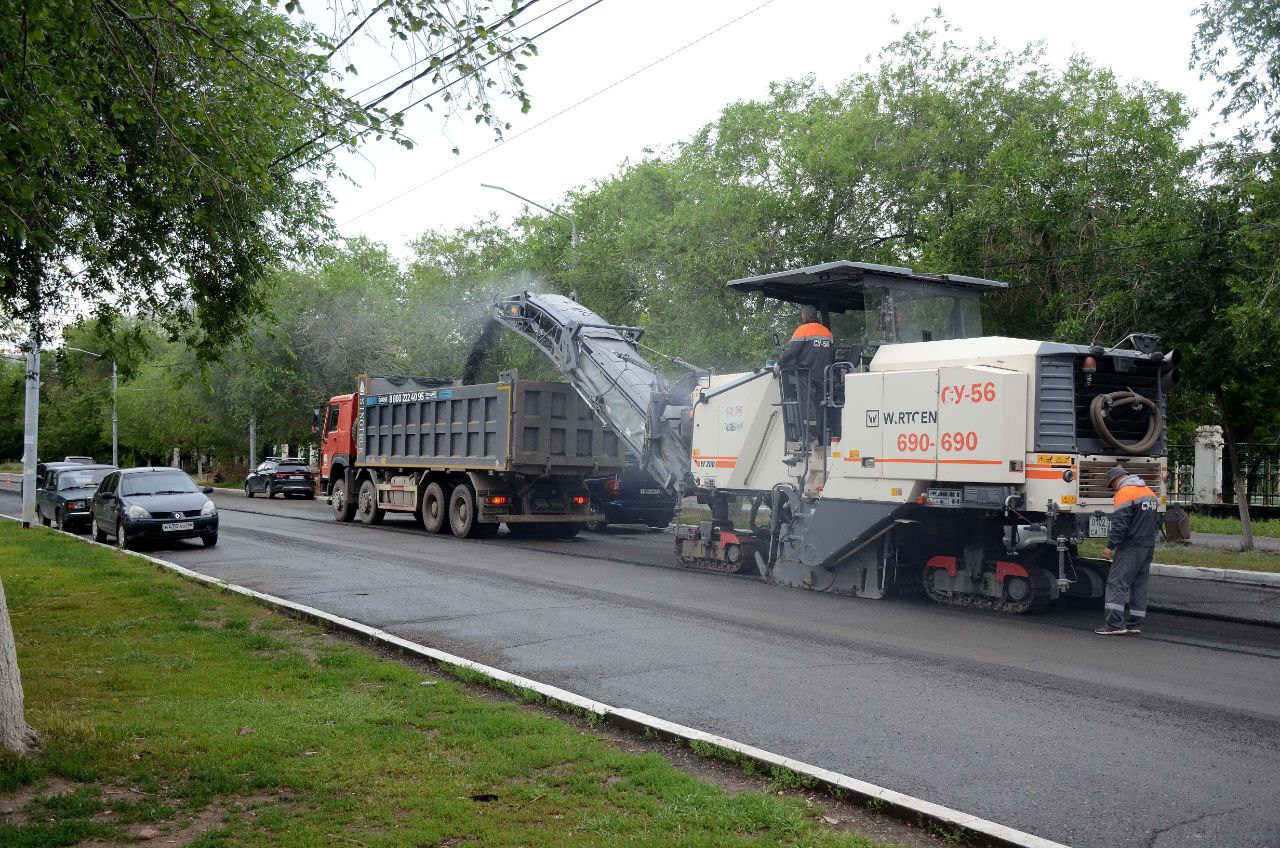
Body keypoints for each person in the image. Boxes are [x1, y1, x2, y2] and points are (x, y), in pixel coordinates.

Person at [1097, 465, 1159, 635]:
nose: (1113, 489)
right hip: (1148, 546)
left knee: (1117, 583)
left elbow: (1120, 525)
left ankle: (1115, 624)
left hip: (1131, 546)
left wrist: (1110, 545)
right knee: (1139, 584)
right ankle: (1135, 624)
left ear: (1116, 479)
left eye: (1112, 485)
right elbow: (1156, 521)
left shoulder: (1124, 493)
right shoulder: (1149, 492)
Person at [775, 304, 834, 444]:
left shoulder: (803, 330)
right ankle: (821, 436)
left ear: (805, 316)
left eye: (802, 316)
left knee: (807, 405)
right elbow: (832, 355)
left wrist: (779, 364)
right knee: (821, 404)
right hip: (825, 375)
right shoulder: (827, 332)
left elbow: (791, 351)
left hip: (806, 374)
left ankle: (809, 437)